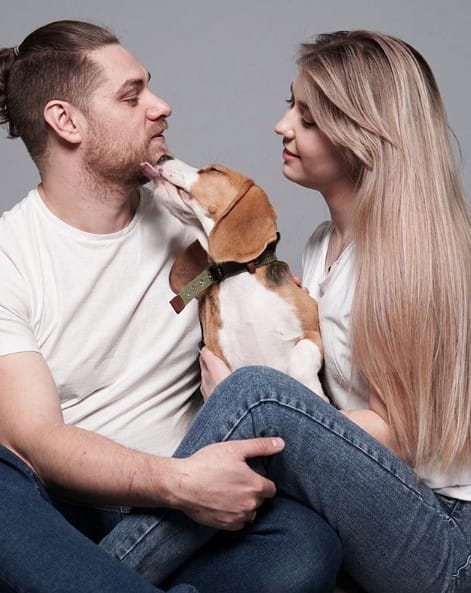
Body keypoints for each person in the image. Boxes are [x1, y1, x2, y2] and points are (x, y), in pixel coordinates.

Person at [99, 30, 471, 593]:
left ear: (363, 137)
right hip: (372, 510)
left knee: (255, 394)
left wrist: (256, 405)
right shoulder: (322, 247)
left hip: (446, 533)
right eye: (289, 104)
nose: (282, 126)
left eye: (309, 119)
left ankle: (89, 578)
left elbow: (402, 434)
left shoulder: (414, 259)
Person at [0, 19, 341, 593]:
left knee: (305, 545)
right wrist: (177, 483)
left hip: (198, 505)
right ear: (66, 121)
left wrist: (280, 304)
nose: (161, 106)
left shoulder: (190, 220)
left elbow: (253, 308)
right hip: (71, 511)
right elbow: (34, 438)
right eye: (131, 96)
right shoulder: (10, 255)